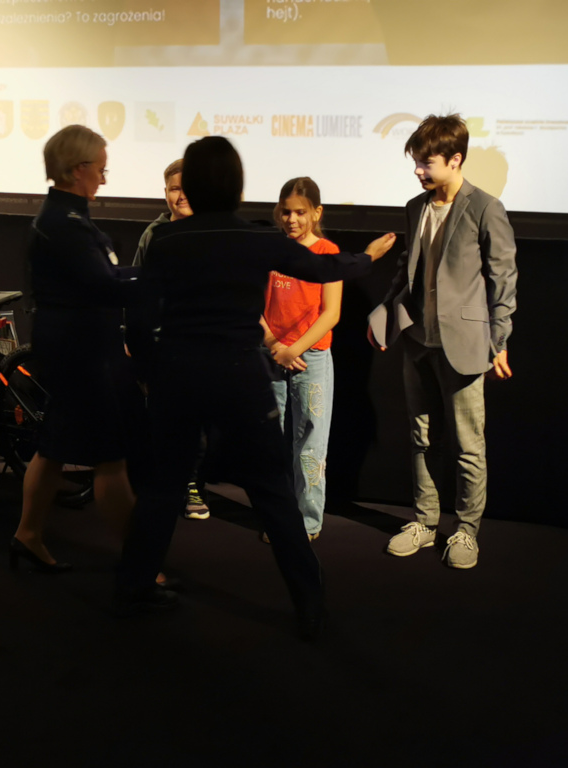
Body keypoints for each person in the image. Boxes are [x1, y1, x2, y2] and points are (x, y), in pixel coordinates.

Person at [118, 136, 396, 638]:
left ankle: (133, 589)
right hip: (240, 378)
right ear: (237, 187)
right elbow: (322, 267)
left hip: (179, 377)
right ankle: (310, 607)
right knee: (273, 493)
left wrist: (149, 369)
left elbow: (139, 320)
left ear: (192, 185)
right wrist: (368, 257)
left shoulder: (166, 241)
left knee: (160, 489)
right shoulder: (253, 238)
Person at [368, 114, 517, 569]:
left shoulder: (485, 207)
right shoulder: (416, 207)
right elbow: (407, 270)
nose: (418, 170)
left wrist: (499, 340)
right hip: (418, 340)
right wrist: (384, 314)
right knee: (423, 438)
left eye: (425, 162)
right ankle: (425, 522)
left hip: (466, 343)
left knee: (469, 446)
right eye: (416, 162)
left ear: (455, 159)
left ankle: (466, 530)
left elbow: (503, 278)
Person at [10, 124, 144, 573]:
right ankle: (140, 567)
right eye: (100, 169)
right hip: (83, 351)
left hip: (70, 346)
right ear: (76, 169)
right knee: (110, 457)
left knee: (53, 447)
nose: (104, 179)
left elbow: (105, 278)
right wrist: (161, 279)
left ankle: (28, 534)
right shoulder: (64, 224)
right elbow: (104, 286)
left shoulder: (63, 219)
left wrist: (142, 275)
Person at [261, 178, 342, 541]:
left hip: (312, 357)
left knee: (310, 442)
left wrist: (294, 349)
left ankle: (307, 521)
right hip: (271, 354)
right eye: (286, 212)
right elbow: (253, 303)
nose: (291, 219)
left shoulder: (327, 252)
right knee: (270, 442)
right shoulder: (271, 250)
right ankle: (277, 517)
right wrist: (274, 344)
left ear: (316, 213)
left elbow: (331, 312)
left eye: (300, 212)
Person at [131, 159, 209, 520]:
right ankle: (160, 488)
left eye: (187, 188)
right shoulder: (153, 234)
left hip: (198, 343)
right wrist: (133, 337)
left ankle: (191, 484)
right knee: (159, 421)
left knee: (196, 423)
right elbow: (137, 288)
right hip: (160, 345)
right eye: (175, 188)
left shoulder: (209, 232)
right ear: (165, 193)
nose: (181, 195)